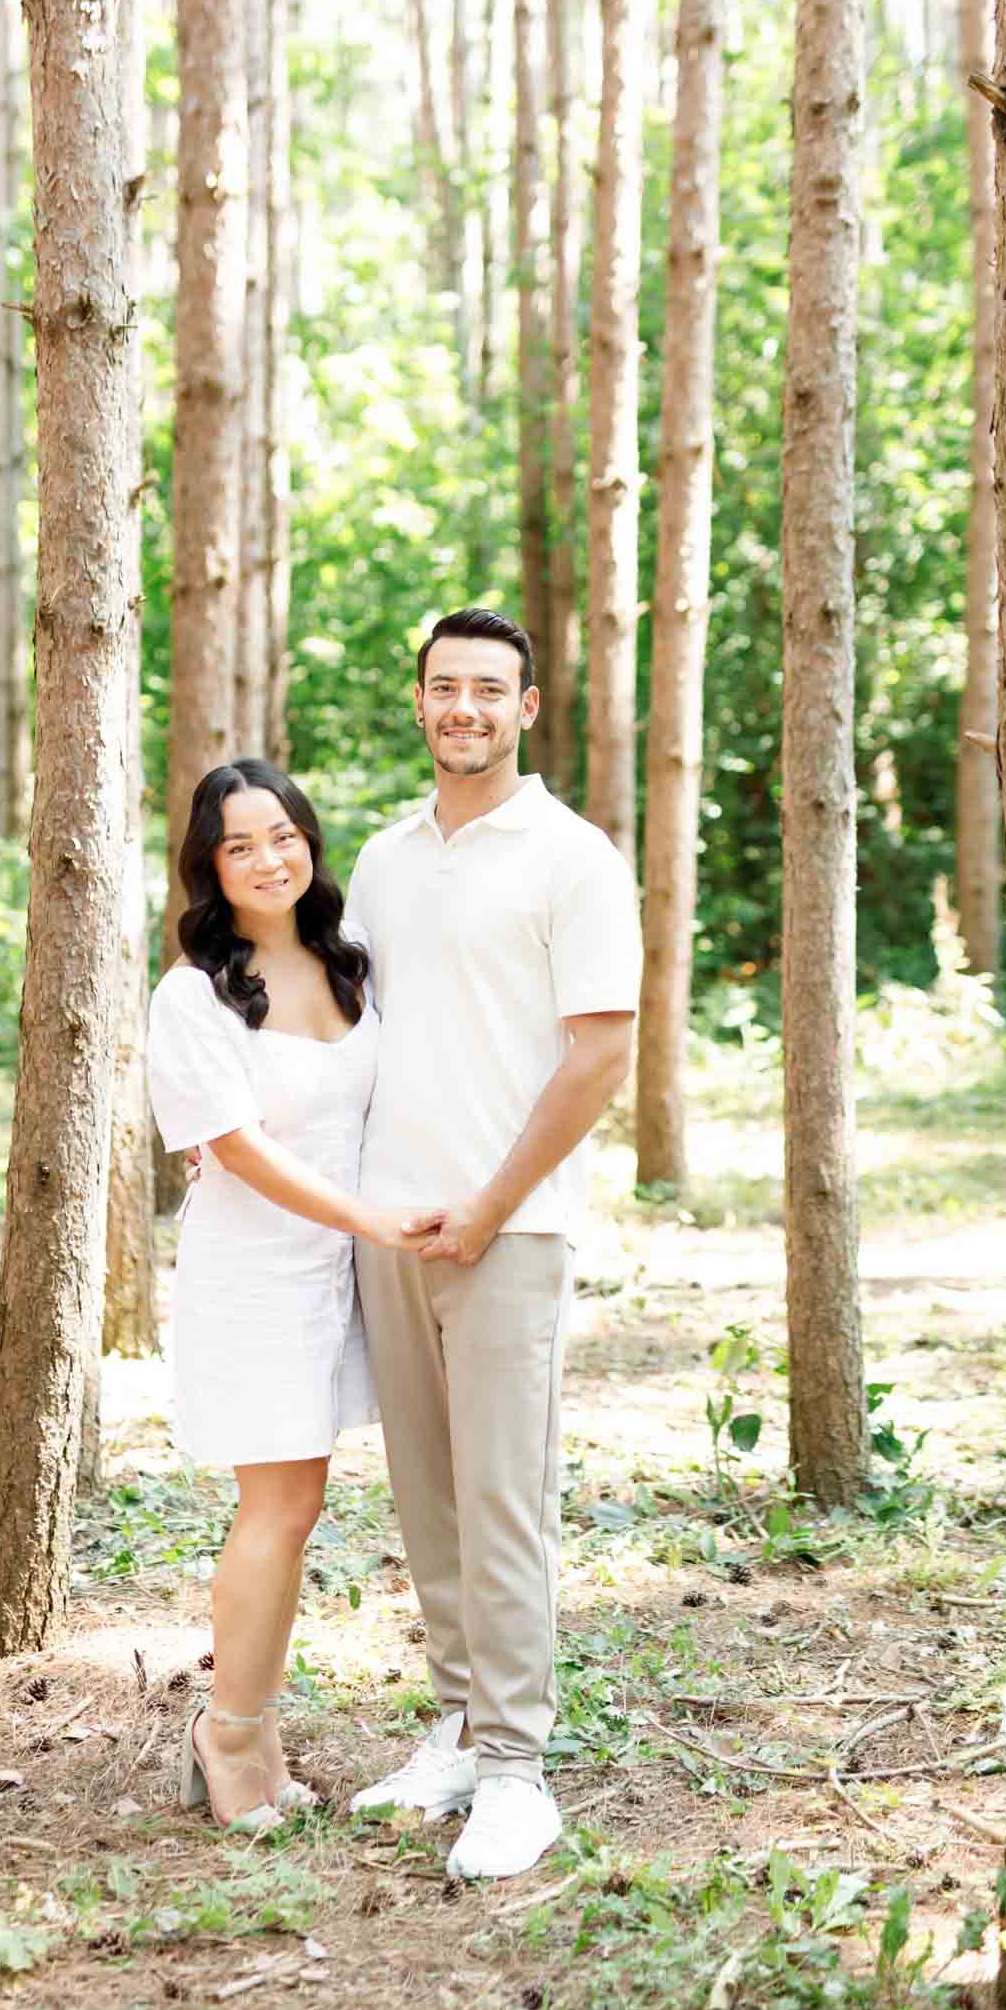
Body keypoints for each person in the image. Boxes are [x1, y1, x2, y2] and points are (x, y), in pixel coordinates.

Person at [343, 608, 642, 1880]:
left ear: (526, 708)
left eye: (489, 688)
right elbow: (348, 1028)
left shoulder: (573, 858)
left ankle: (519, 1773)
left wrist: (491, 1200)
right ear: (419, 703)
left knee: (503, 1498)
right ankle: (461, 1725)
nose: (463, 706)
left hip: (510, 1228)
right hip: (388, 1219)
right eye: (443, 686)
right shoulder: (381, 857)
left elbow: (601, 1053)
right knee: (427, 1492)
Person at [146, 759, 442, 1834]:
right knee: (277, 1508)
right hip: (257, 1274)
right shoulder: (192, 996)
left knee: (301, 1509)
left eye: (282, 835)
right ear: (209, 868)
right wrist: (368, 1219)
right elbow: (234, 1146)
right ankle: (228, 1735)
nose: (267, 858)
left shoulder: (349, 962)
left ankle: (251, 1724)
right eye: (239, 845)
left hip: (344, 1277)